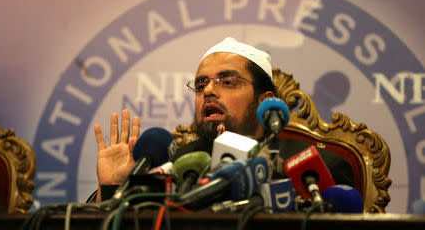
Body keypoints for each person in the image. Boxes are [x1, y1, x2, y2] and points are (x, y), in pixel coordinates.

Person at [92, 37, 353, 202]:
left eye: (227, 81)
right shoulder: (172, 167)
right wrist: (113, 187)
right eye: (201, 84)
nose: (208, 90)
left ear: (264, 101)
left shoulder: (319, 168)